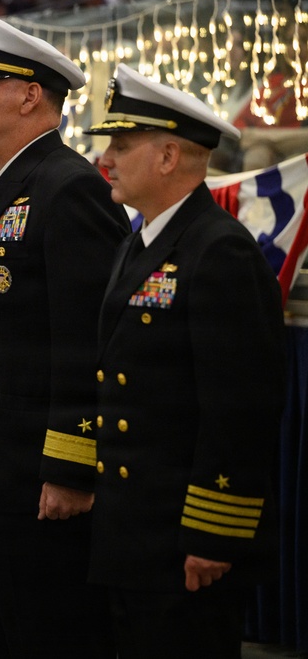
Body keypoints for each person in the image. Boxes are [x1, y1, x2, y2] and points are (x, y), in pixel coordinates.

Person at [0, 13, 130, 658]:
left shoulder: (67, 186)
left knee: (52, 637)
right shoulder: (1, 186)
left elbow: (87, 341)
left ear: (28, 95)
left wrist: (71, 469)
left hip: (39, 481)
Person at [83, 63, 286, 658]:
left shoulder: (219, 251)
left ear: (169, 156)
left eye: (122, 146)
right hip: (131, 530)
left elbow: (241, 408)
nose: (107, 160)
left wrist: (213, 533)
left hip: (182, 536)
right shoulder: (139, 241)